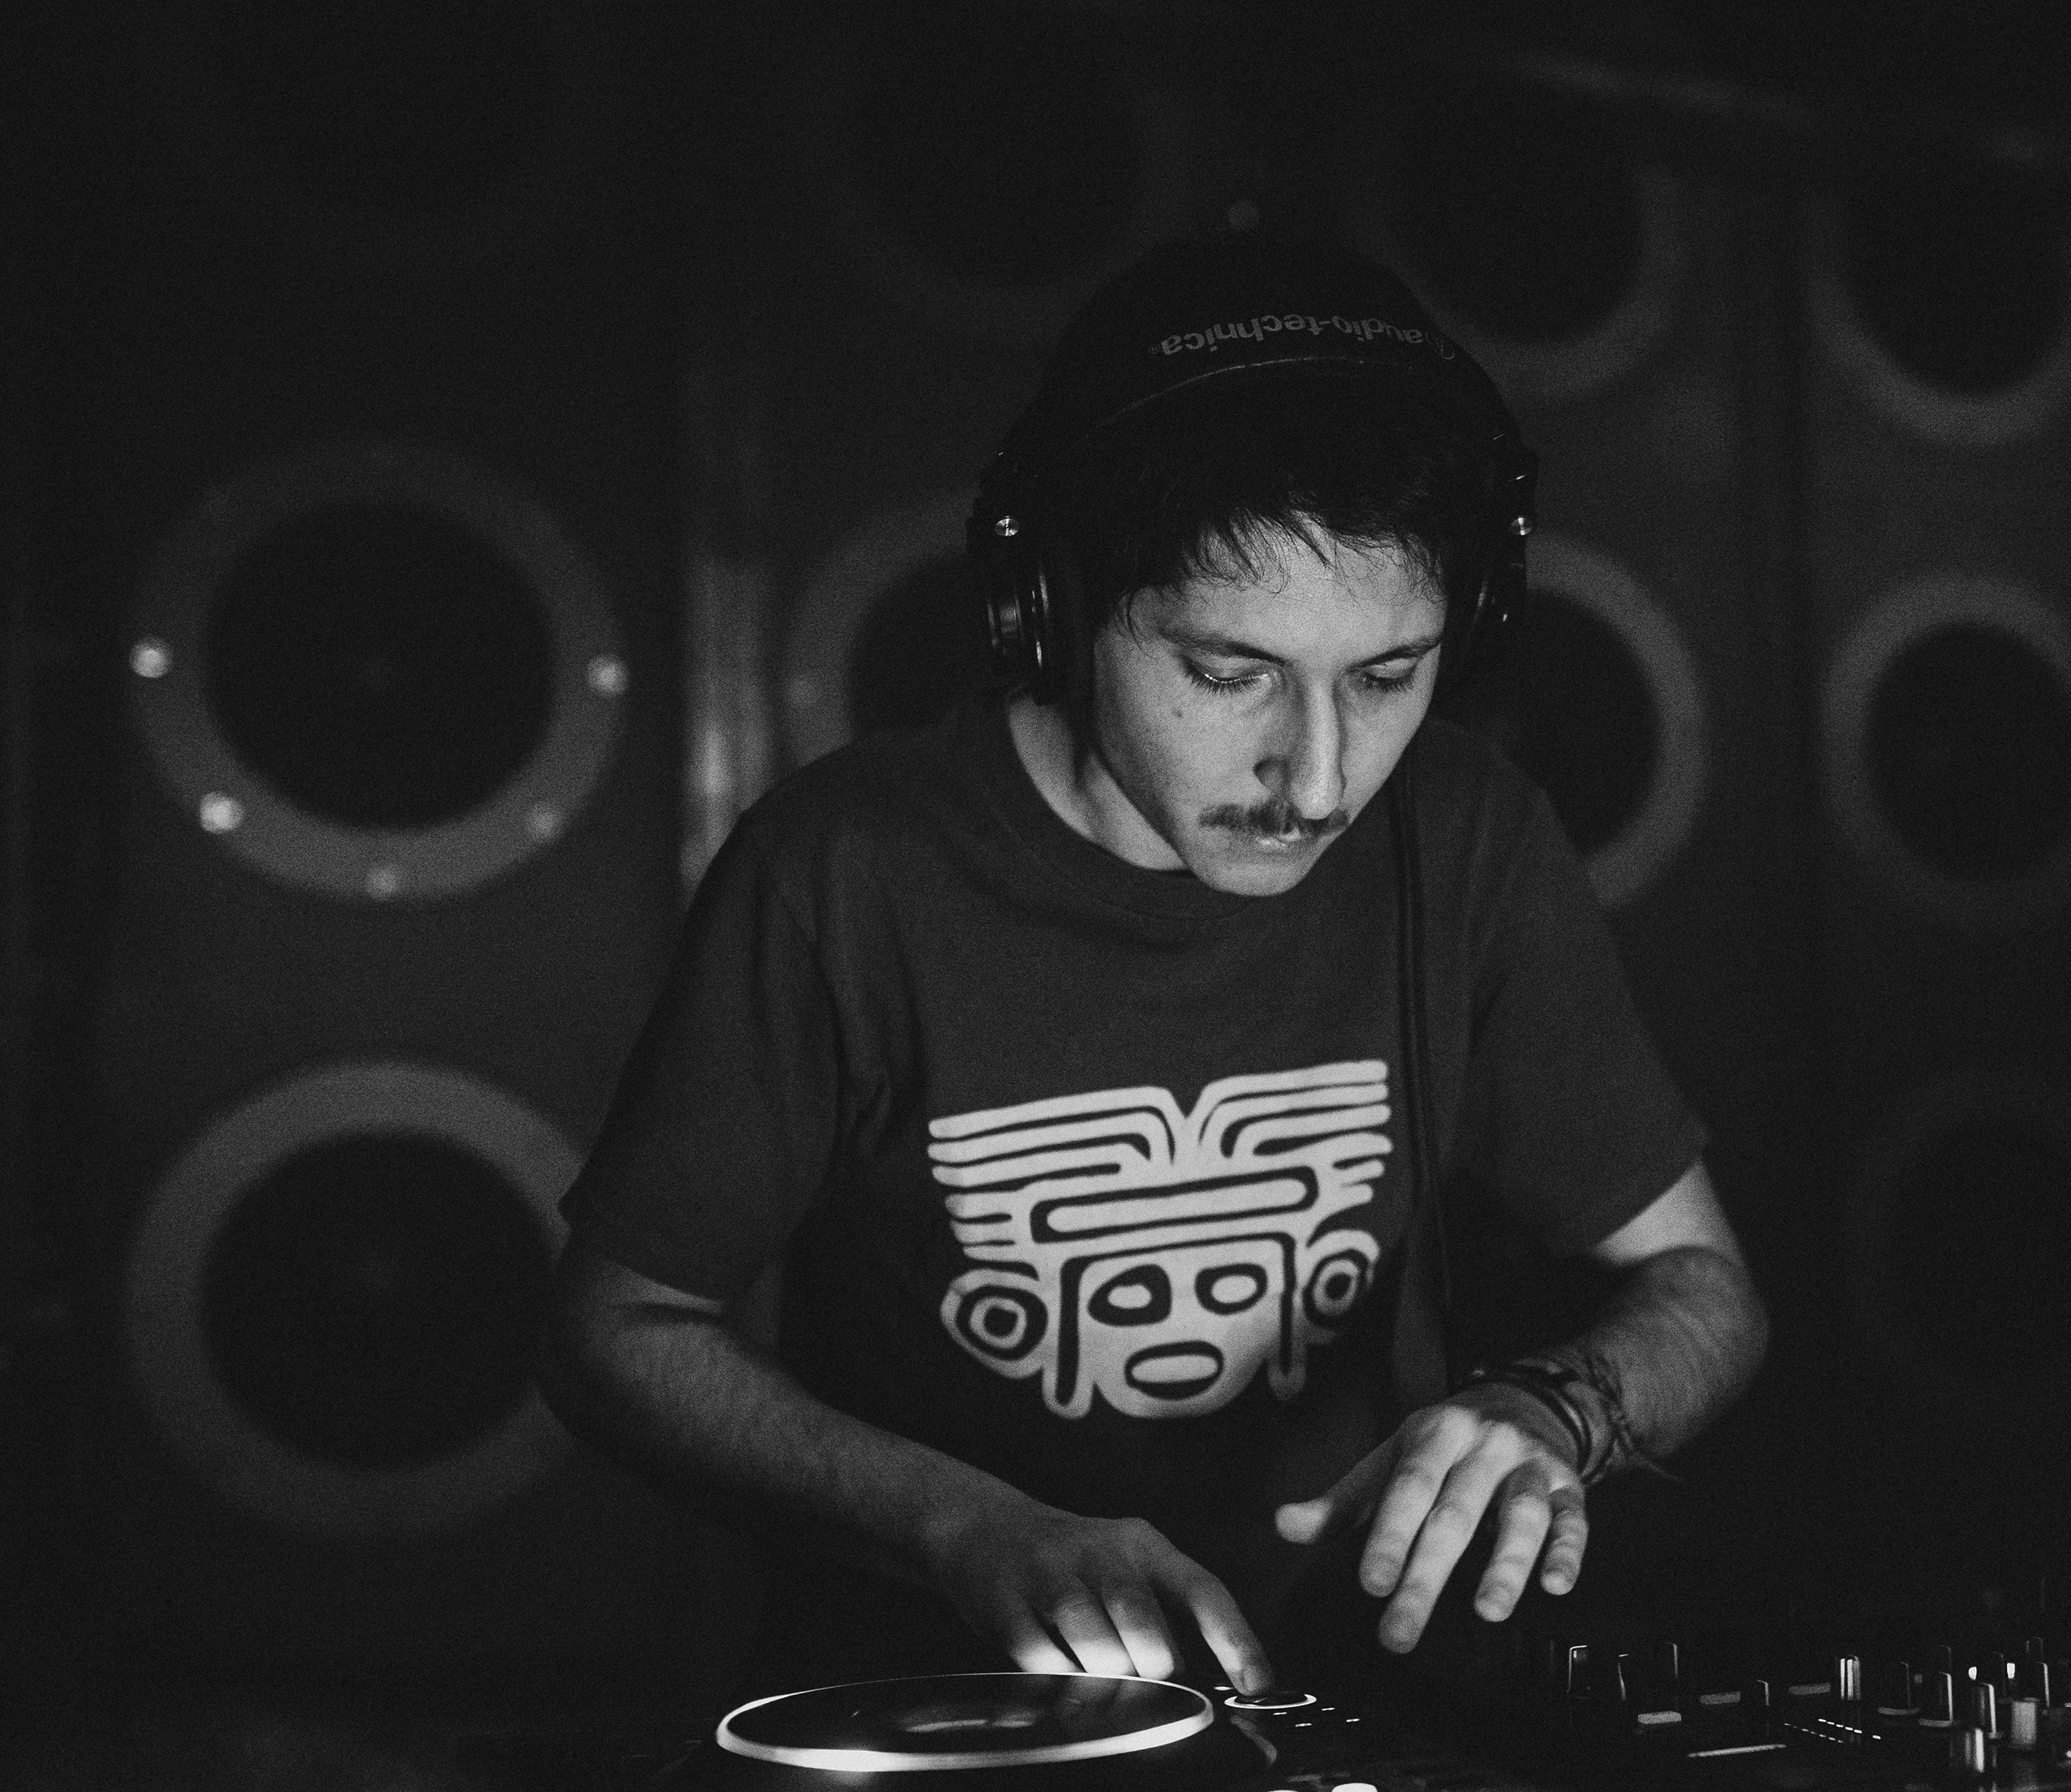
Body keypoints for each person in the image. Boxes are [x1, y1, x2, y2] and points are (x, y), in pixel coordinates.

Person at [540, 230, 1766, 1701]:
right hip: (939, 1726)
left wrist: (1558, 1409)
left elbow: (1706, 1288)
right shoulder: (841, 870)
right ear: (1051, 609)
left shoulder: (1472, 836)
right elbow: (614, 1331)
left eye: (1387, 679)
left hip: (1355, 1717)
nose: (1317, 778)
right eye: (1228, 673)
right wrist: (964, 1524)